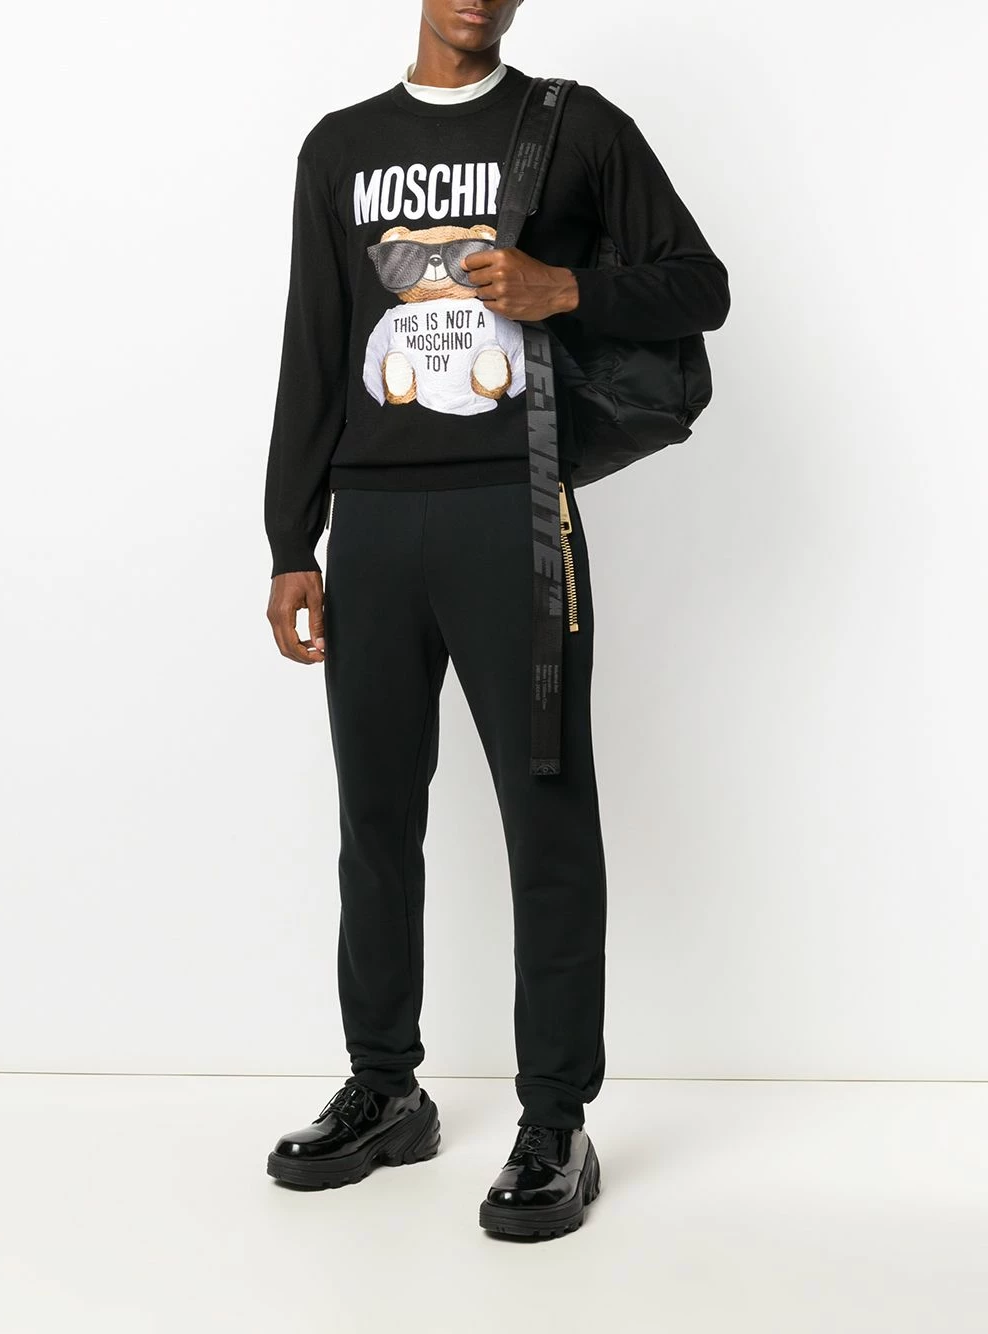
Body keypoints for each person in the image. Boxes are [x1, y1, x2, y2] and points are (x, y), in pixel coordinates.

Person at [262, 0, 729, 1239]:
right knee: (374, 817)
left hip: (511, 512)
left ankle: (555, 1120)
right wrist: (289, 539)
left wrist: (561, 285)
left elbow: (703, 286)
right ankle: (384, 1088)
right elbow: (316, 342)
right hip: (370, 521)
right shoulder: (339, 146)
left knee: (546, 812)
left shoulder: (574, 127)